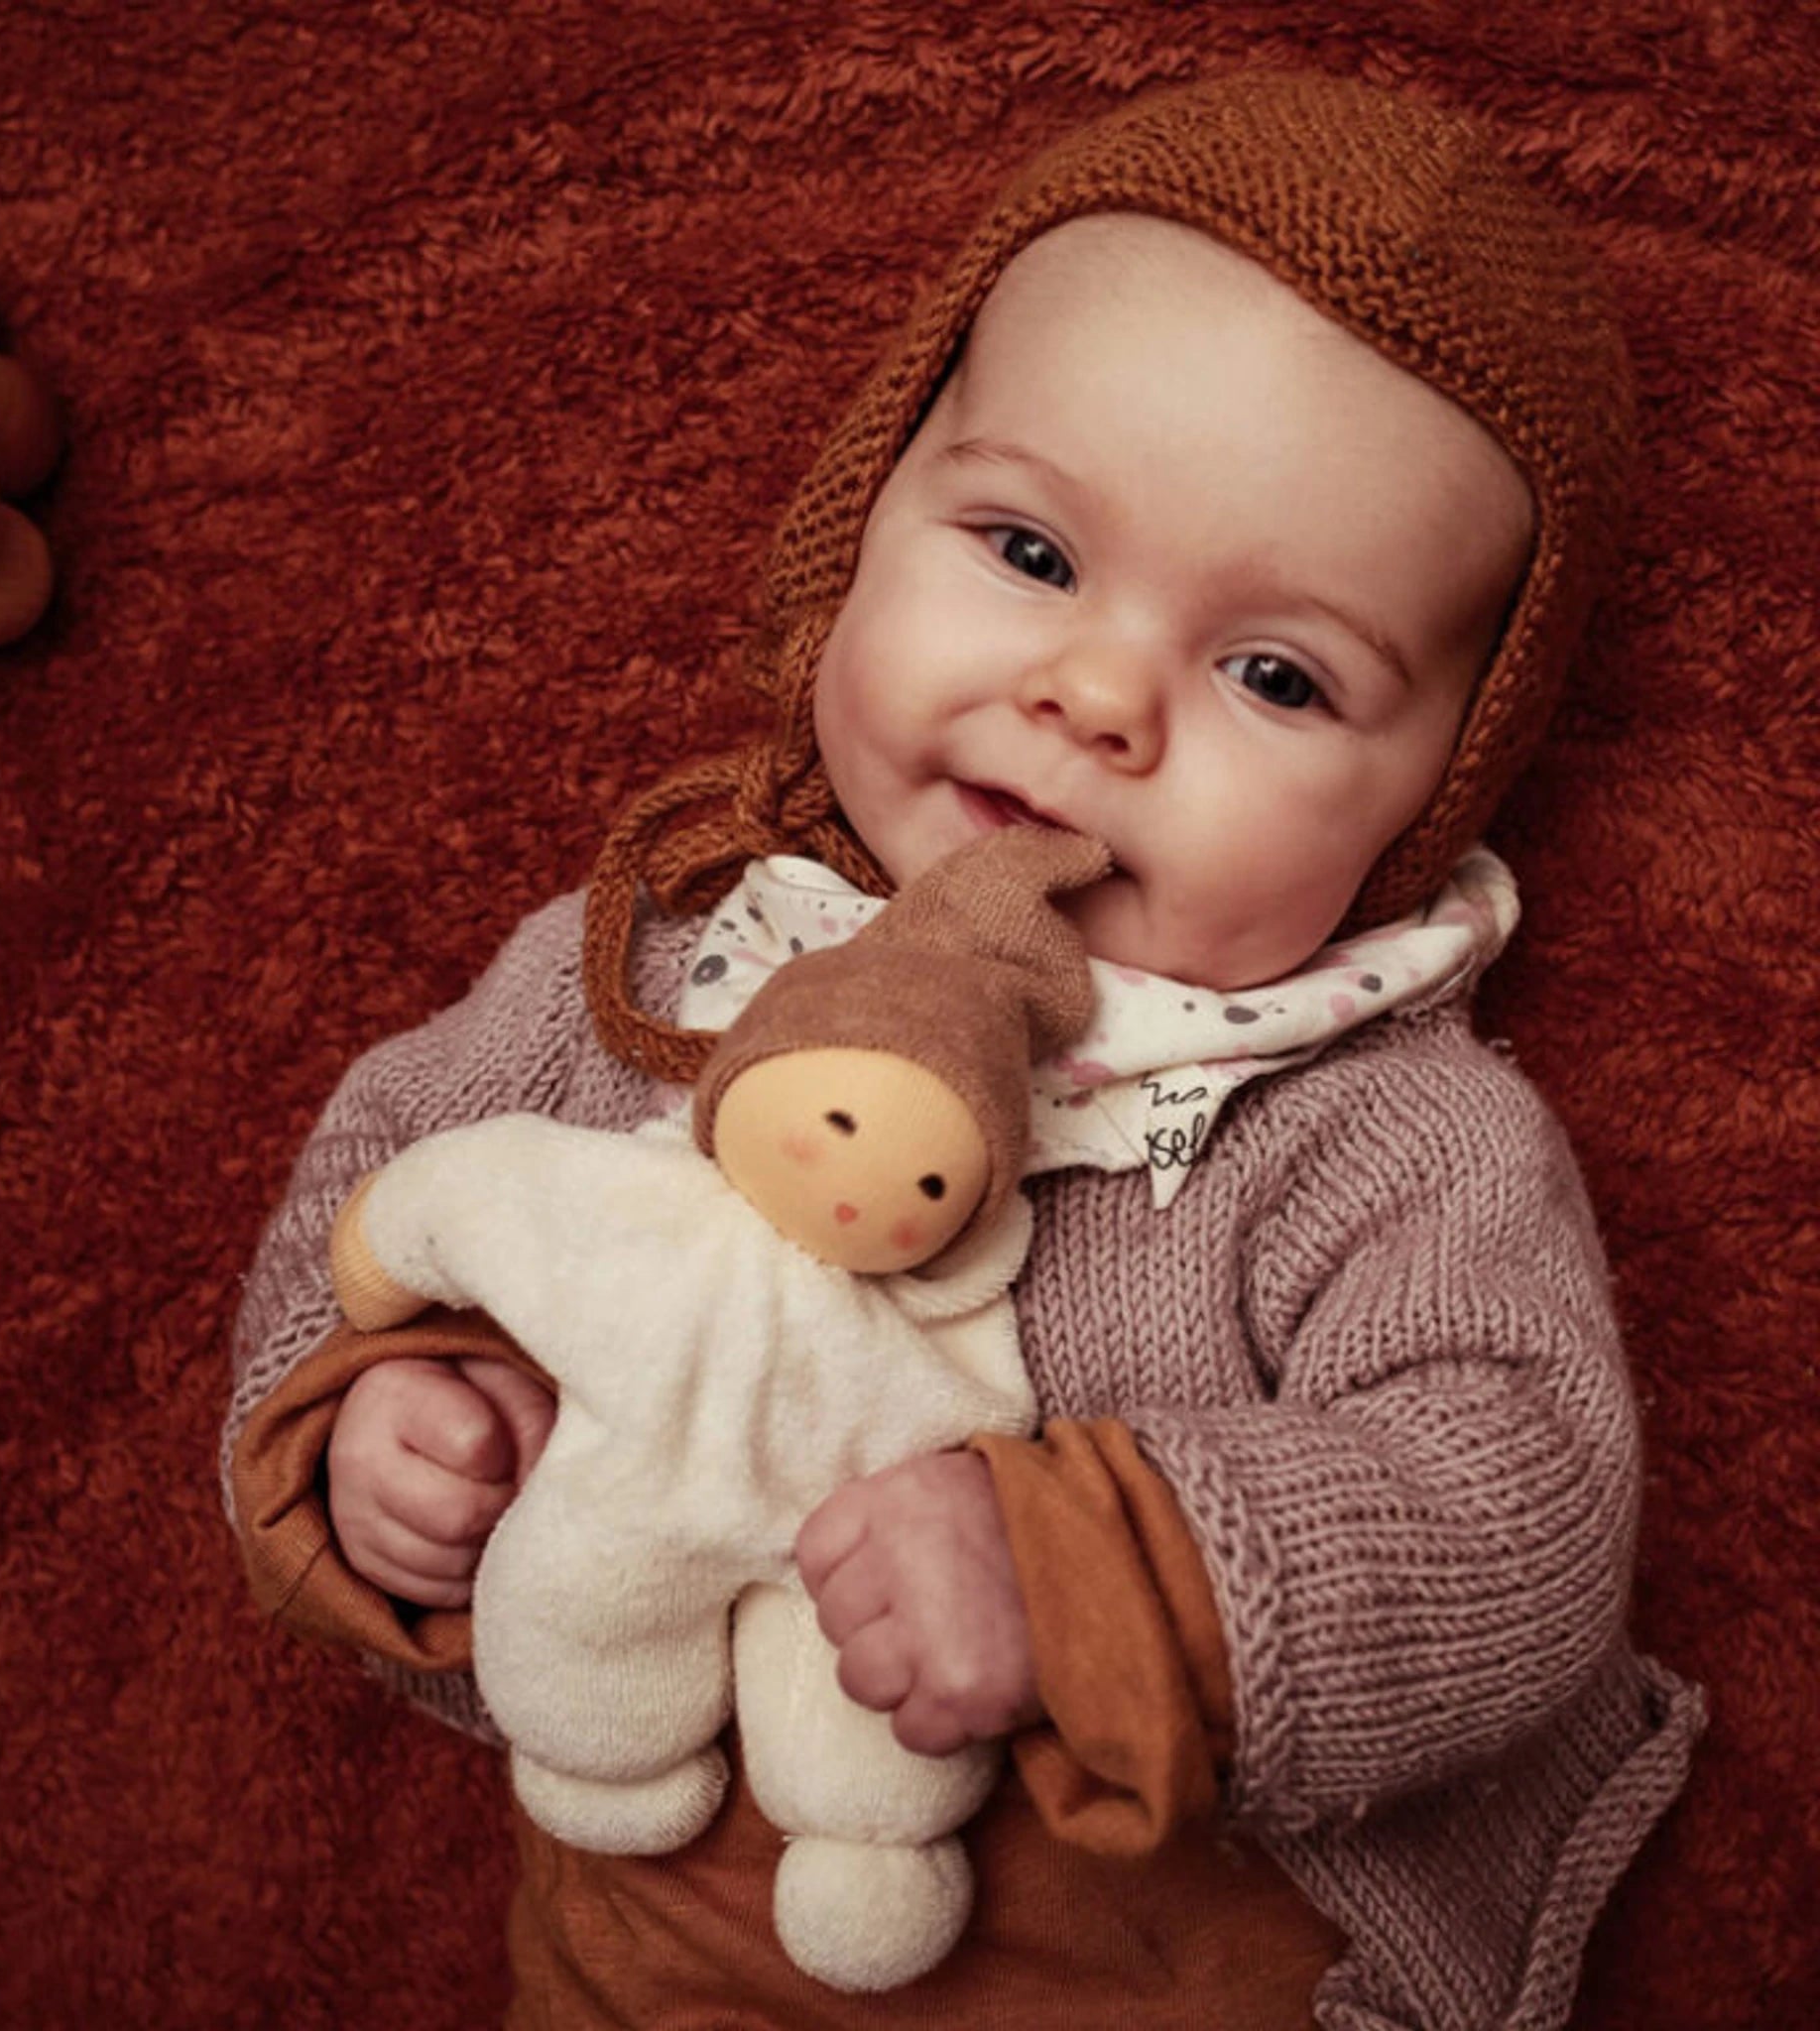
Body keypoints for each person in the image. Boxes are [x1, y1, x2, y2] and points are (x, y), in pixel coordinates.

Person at [223, 69, 1702, 2031]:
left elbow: (1519, 1495)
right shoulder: (668, 970)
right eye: (1024, 549)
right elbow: (383, 1191)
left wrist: (1100, 1578)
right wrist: (395, 1425)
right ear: (863, 517)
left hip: (1168, 1957)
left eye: (1275, 673)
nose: (1094, 696)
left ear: (1435, 788)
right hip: (654, 1932)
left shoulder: (1377, 1129)